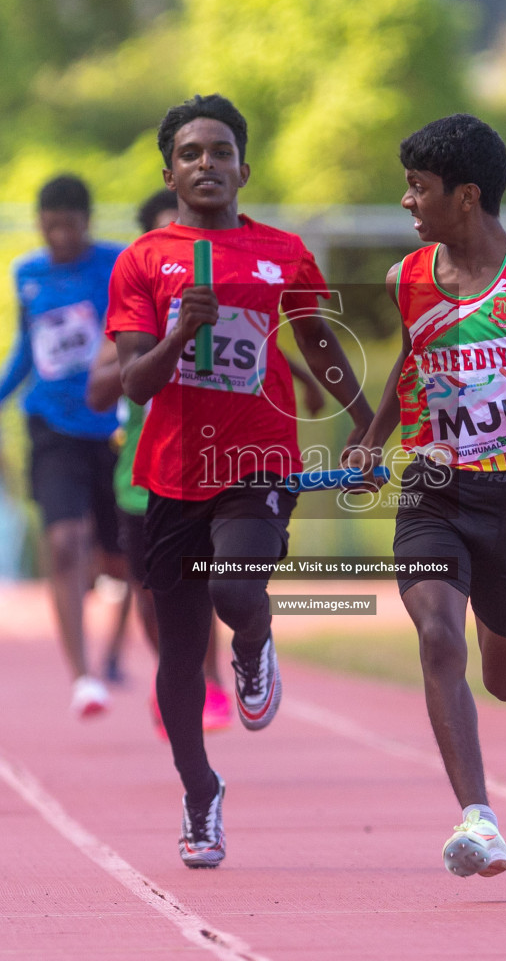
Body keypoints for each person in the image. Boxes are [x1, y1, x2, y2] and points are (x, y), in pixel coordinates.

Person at [106, 94, 373, 868]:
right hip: (171, 473)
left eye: (220, 152)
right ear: (170, 171)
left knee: (235, 590)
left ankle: (253, 643)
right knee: (180, 650)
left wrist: (361, 418)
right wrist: (181, 331)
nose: (206, 165)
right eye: (190, 154)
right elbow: (134, 382)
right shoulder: (143, 262)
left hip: (254, 461)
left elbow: (317, 340)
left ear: (242, 167)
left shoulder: (282, 253)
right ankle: (199, 793)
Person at [343, 114, 506, 878]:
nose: (404, 201)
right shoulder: (407, 278)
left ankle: (498, 625)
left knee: (504, 679)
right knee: (435, 637)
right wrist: (375, 438)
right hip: (430, 486)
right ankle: (478, 820)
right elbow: (410, 363)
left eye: (416, 188)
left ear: (465, 196)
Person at [90, 189, 329, 734]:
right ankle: (173, 671)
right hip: (143, 472)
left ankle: (215, 681)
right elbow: (106, 387)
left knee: (222, 580)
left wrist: (304, 379)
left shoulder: (226, 282)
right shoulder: (136, 292)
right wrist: (167, 341)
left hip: (225, 461)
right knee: (153, 593)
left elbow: (257, 342)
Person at [0, 175, 125, 719]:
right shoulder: (28, 274)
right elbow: (26, 346)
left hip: (113, 426)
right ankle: (83, 677)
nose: (59, 235)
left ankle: (121, 649)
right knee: (63, 542)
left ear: (88, 222)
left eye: (69, 225)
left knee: (122, 562)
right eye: (49, 225)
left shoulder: (119, 264)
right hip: (51, 426)